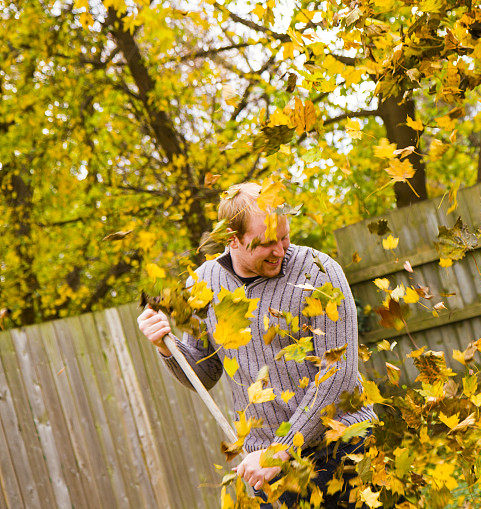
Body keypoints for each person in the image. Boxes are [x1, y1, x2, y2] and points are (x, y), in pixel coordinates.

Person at [137, 182, 377, 508]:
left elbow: (339, 375)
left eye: (285, 237)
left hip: (342, 451)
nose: (280, 251)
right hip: (269, 470)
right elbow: (205, 373)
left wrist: (280, 450)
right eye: (266, 243)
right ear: (232, 240)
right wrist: (167, 346)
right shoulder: (203, 284)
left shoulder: (319, 273)